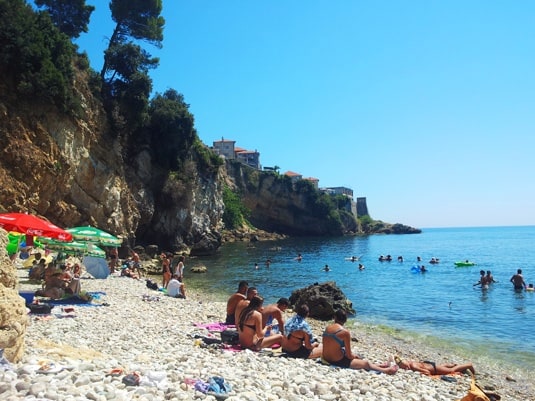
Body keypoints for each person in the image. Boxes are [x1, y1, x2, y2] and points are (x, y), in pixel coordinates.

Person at [321, 310, 397, 374]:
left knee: (356, 357)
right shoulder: (344, 332)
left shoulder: (328, 328)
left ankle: (377, 365)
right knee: (365, 363)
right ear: (345, 320)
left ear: (335, 318)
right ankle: (385, 370)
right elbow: (349, 355)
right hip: (336, 361)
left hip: (326, 358)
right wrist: (355, 356)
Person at [394, 356, 475, 375]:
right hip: (429, 364)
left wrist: (422, 373)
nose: (405, 369)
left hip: (433, 368)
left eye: (404, 367)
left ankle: (468, 365)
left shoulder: (414, 367)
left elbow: (427, 372)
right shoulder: (411, 362)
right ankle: (450, 365)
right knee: (442, 367)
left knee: (452, 371)